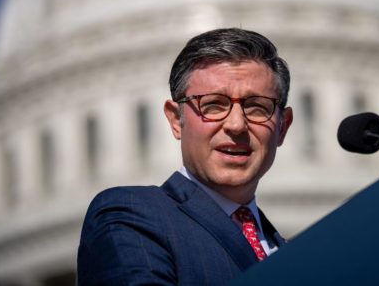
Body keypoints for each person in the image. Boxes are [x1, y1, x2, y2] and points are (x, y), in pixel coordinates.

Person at [77, 28, 294, 285]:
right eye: (213, 105)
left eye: (258, 107)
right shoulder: (132, 215)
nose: (236, 125)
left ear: (282, 127)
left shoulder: (293, 254)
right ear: (176, 120)